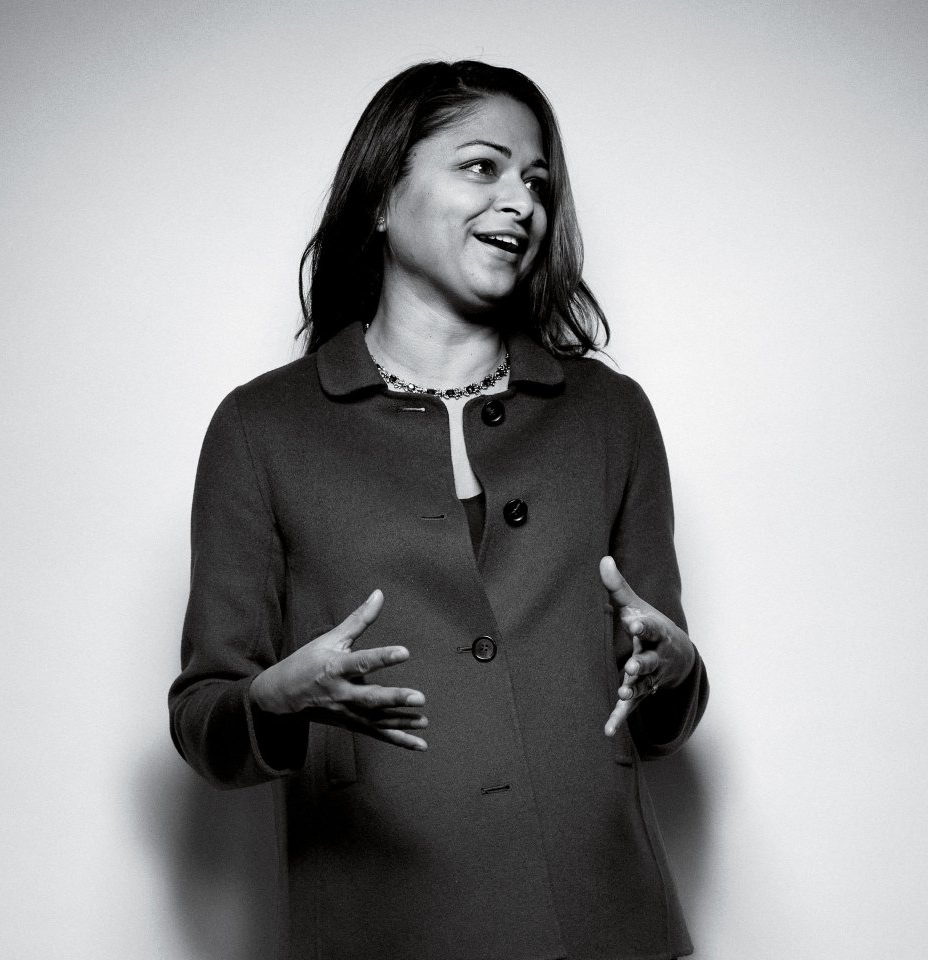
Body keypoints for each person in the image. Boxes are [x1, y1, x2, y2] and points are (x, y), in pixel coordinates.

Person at [169, 60, 708, 960]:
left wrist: (677, 670)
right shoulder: (262, 428)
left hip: (606, 924)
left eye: (537, 181)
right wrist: (271, 699)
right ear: (383, 195)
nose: (522, 202)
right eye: (482, 166)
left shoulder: (609, 415)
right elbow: (204, 721)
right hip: (381, 925)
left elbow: (659, 706)